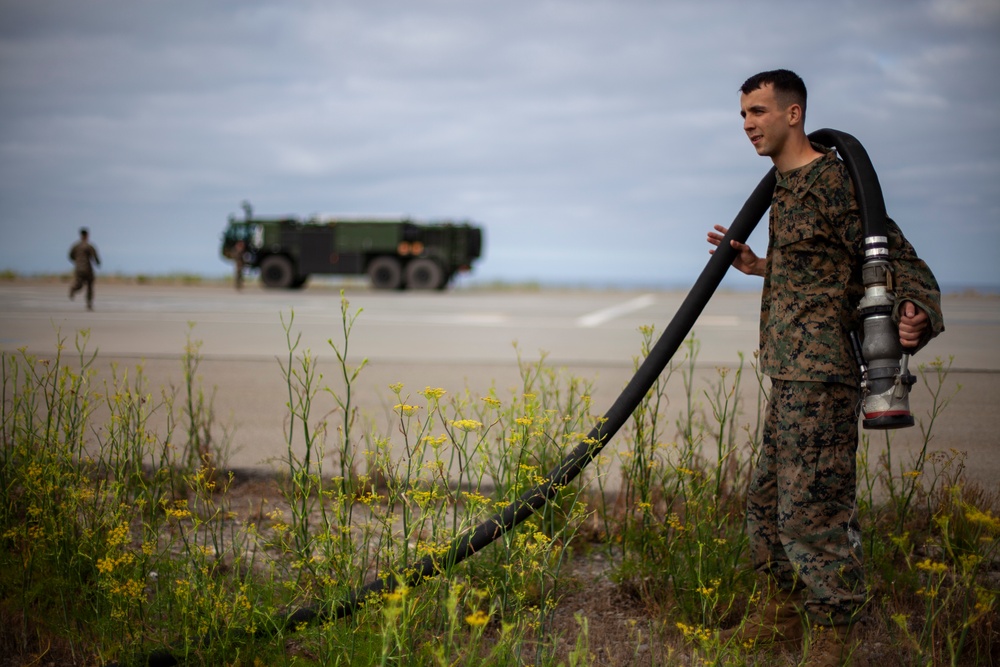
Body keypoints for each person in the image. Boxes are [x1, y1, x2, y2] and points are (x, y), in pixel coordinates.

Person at [706, 70, 943, 666]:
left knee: (815, 508)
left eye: (757, 111)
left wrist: (917, 311)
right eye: (742, 115)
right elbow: (821, 267)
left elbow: (893, 253)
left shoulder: (832, 180)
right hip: (788, 375)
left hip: (824, 377)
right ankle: (781, 617)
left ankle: (833, 637)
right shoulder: (784, 186)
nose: (747, 124)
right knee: (766, 504)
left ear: (793, 114)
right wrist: (763, 266)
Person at [69, 227, 101, 310]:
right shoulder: (89, 246)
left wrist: (77, 262)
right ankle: (89, 304)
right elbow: (95, 256)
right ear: (87, 235)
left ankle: (73, 288)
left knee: (79, 284)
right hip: (87, 269)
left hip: (78, 269)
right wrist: (98, 263)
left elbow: (70, 256)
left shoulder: (76, 246)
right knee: (90, 286)